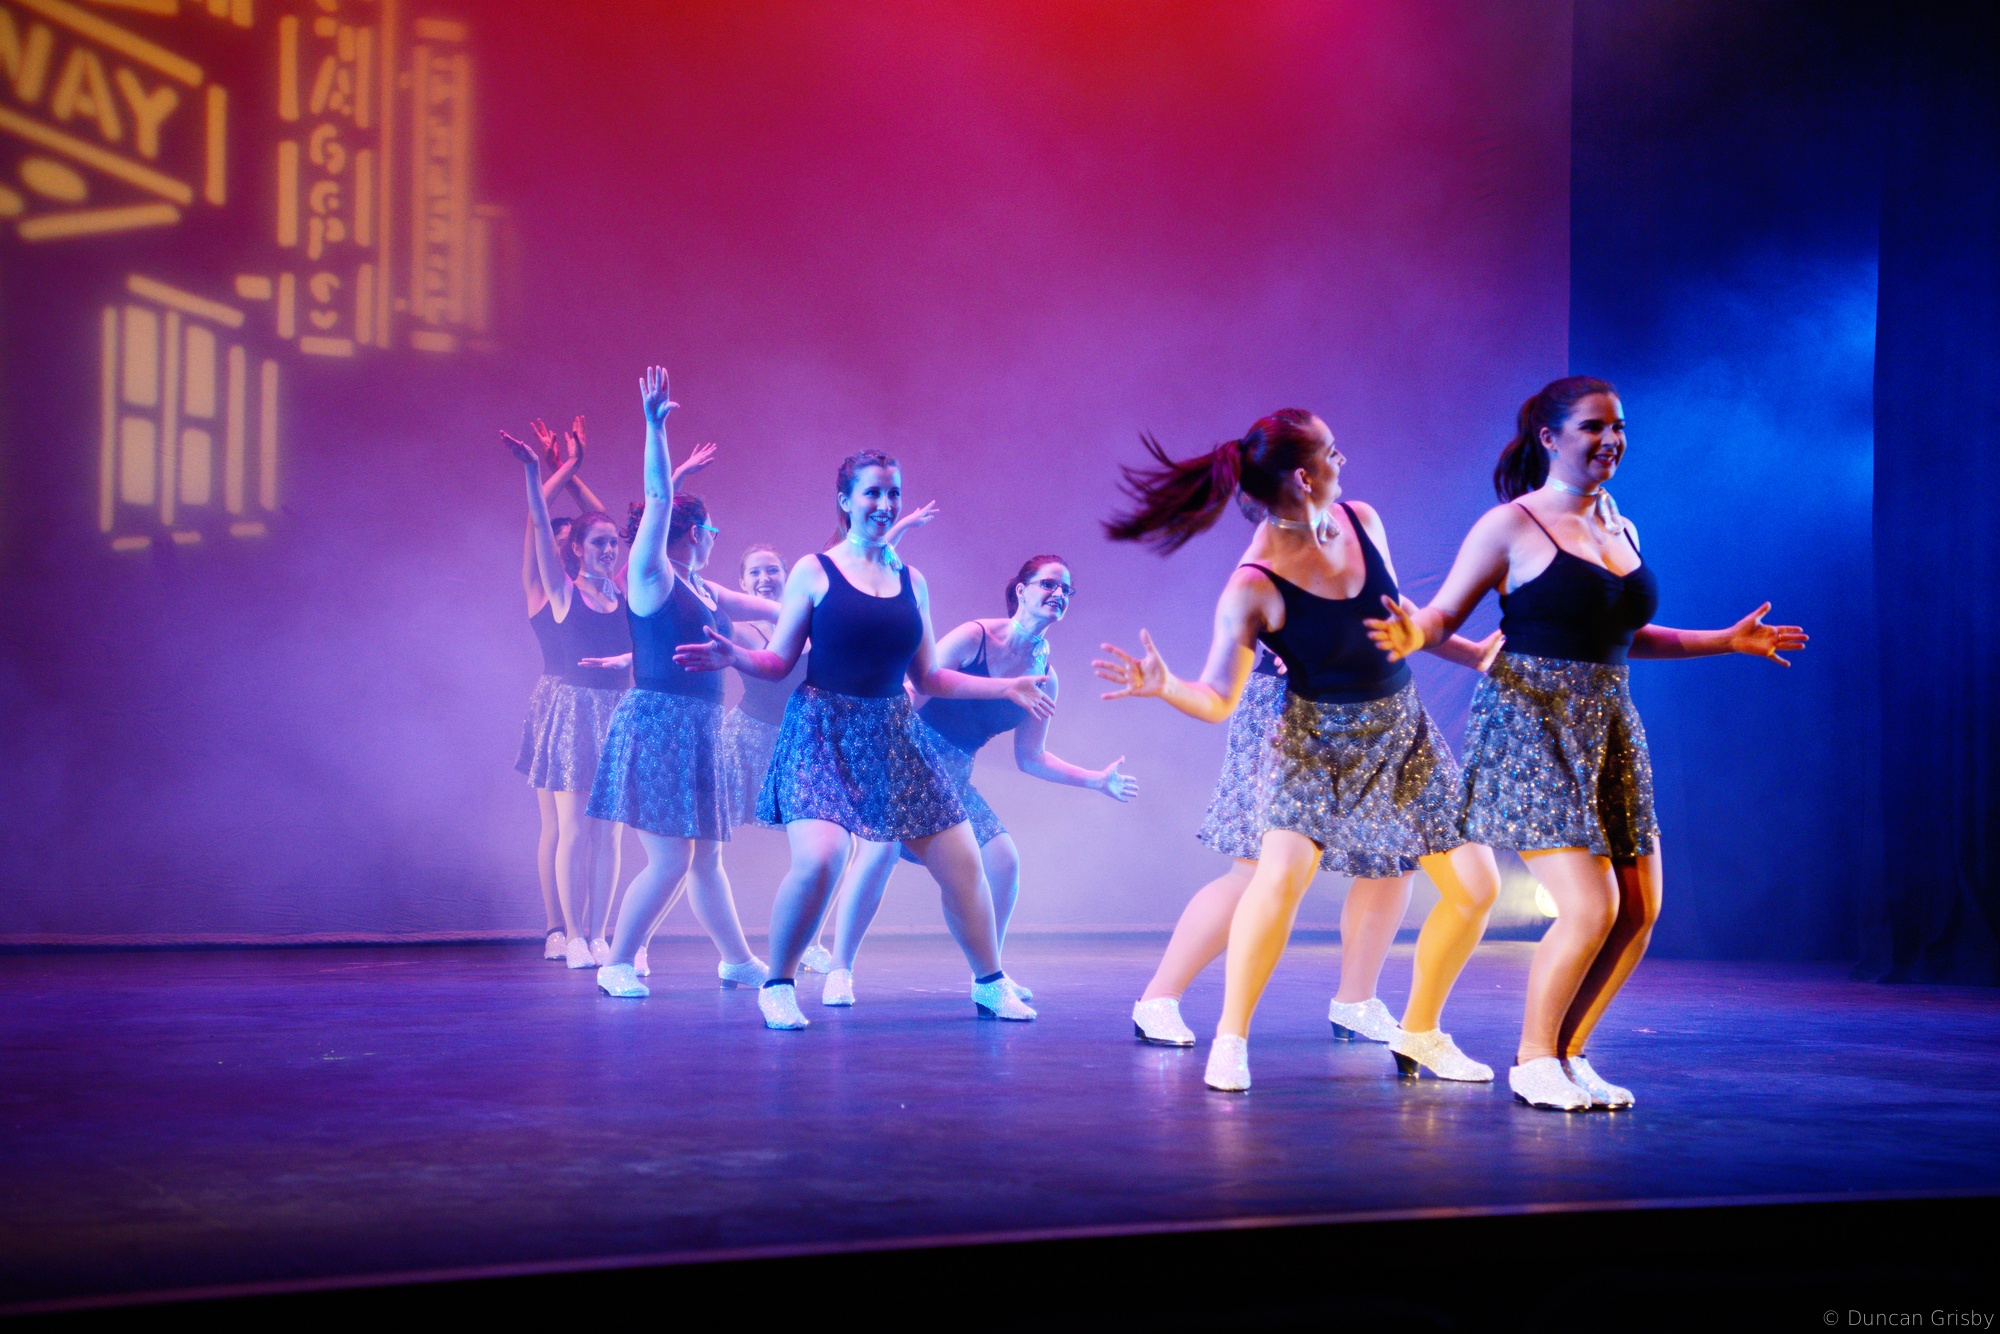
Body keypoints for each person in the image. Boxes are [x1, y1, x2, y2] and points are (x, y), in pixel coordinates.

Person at [1365, 376, 1806, 1110]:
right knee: (1590, 907)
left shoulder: (1620, 525)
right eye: (1594, 426)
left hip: (1608, 727)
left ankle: (1569, 1055)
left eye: (1618, 426)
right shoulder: (1510, 525)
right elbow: (1442, 617)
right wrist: (1417, 631)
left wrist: (1725, 640)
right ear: (1550, 437)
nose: (1611, 440)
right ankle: (1533, 1059)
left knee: (1639, 910)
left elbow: (1625, 638)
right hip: (1529, 723)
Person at [1095, 410, 1504, 1093]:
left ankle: (1404, 1023)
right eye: (1333, 452)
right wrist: (1166, 687)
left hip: (1399, 730)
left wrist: (1470, 653)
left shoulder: (1361, 519)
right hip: (1311, 737)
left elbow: (1392, 613)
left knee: (1462, 882)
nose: (1345, 461)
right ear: (1305, 476)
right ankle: (1221, 1031)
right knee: (1268, 872)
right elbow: (1218, 697)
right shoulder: (1253, 585)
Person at [671, 450, 1054, 1029]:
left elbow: (931, 677)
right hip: (821, 729)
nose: (885, 503)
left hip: (893, 734)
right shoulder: (814, 571)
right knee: (822, 860)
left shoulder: (912, 581)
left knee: (963, 861)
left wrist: (1007, 687)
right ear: (845, 501)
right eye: (872, 492)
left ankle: (990, 984)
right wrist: (735, 656)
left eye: (893, 492)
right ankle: (778, 984)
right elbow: (779, 661)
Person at [816, 555, 1140, 1008]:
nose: (1059, 594)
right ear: (1021, 590)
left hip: (953, 780)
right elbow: (916, 686)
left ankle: (988, 976)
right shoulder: (977, 637)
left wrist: (1096, 780)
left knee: (1003, 861)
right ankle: (839, 971)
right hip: (905, 756)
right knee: (880, 851)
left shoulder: (1046, 677)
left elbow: (1031, 757)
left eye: (1067, 589)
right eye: (1049, 584)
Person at [590, 370, 779, 999]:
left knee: (706, 856)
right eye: (713, 531)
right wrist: (655, 429)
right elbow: (657, 500)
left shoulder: (704, 587)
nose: (715, 539)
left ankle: (737, 960)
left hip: (701, 729)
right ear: (696, 533)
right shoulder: (653, 575)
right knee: (671, 858)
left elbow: (781, 609)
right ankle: (618, 961)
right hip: (659, 725)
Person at [503, 428, 631, 970]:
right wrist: (543, 471)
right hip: (565, 705)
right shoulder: (551, 588)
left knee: (606, 831)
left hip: (614, 709)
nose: (604, 548)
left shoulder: (617, 584)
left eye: (608, 543)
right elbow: (536, 524)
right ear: (572, 549)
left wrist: (574, 469)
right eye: (583, 541)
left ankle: (597, 932)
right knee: (561, 828)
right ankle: (562, 928)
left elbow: (609, 527)